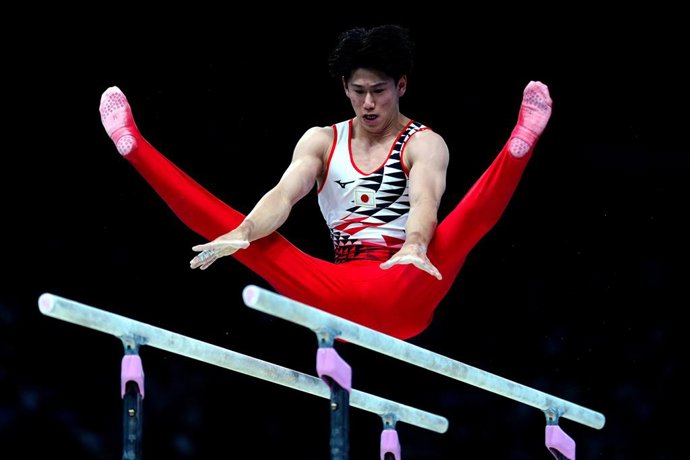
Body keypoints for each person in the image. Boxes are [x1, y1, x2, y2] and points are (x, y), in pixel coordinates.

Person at [99, 24, 552, 340]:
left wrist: (415, 243)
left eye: (380, 90)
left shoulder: (424, 143)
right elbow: (283, 195)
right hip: (333, 293)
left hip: (408, 282)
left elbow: (425, 199)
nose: (369, 103)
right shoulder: (320, 141)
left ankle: (518, 146)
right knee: (243, 235)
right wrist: (246, 231)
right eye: (359, 92)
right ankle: (134, 147)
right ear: (344, 88)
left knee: (457, 231)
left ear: (402, 85)